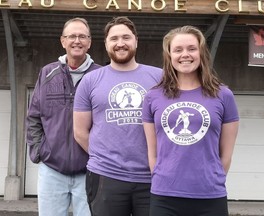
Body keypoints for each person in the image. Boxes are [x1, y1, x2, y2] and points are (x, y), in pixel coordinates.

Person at [142, 25, 239, 216]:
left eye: (192, 49)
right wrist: (162, 177)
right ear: (169, 56)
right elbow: (152, 153)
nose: (185, 54)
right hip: (165, 197)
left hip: (210, 197)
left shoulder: (223, 95)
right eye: (178, 50)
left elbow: (226, 155)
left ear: (201, 53)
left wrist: (212, 180)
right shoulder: (153, 97)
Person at [73, 16, 162, 216]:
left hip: (152, 177)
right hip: (105, 176)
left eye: (126, 38)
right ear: (106, 44)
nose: (120, 43)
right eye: (114, 39)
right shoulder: (90, 81)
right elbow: (79, 131)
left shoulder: (160, 78)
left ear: (136, 41)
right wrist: (104, 157)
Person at [26, 17, 101, 216]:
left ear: (89, 42)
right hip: (52, 170)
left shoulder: (101, 76)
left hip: (90, 171)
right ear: (63, 41)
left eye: (82, 36)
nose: (77, 41)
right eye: (72, 36)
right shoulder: (48, 73)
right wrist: (39, 151)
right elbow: (34, 116)